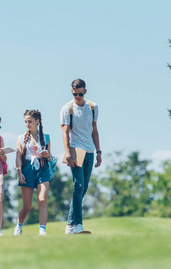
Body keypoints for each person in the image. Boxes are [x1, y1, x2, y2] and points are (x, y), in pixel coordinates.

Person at [60, 79, 102, 234]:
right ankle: (78, 225)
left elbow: (94, 130)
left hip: (90, 150)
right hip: (75, 149)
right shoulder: (67, 108)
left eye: (80, 93)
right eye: (75, 93)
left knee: (83, 188)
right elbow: (65, 132)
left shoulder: (93, 107)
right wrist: (67, 153)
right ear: (72, 91)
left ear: (85, 92)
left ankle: (70, 225)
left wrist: (98, 152)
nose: (77, 96)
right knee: (78, 186)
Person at [14, 110, 52, 236]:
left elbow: (50, 157)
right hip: (27, 169)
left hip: (42, 168)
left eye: (30, 121)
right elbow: (18, 157)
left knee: (42, 199)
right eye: (25, 122)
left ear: (37, 121)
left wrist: (47, 155)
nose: (27, 124)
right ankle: (19, 226)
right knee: (27, 206)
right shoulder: (20, 138)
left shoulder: (46, 138)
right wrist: (19, 173)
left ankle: (42, 230)